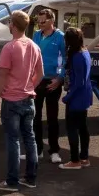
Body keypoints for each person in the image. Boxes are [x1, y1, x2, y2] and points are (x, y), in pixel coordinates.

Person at [0, 10, 44, 191]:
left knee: (13, 139)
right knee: (30, 138)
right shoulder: (34, 46)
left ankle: (12, 181)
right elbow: (40, 74)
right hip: (29, 99)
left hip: (12, 100)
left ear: (12, 25)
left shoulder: (9, 47)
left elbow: (3, 75)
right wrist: (29, 86)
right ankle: (31, 178)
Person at [31, 8, 65, 164]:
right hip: (37, 81)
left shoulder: (60, 37)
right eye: (38, 21)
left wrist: (59, 78)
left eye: (43, 21)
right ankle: (37, 151)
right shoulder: (36, 35)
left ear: (52, 21)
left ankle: (54, 151)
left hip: (52, 81)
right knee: (35, 117)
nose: (40, 24)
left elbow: (65, 59)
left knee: (52, 117)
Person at [60, 27, 92, 169]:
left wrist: (68, 97)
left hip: (77, 97)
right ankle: (84, 157)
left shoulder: (77, 56)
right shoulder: (85, 52)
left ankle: (75, 160)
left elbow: (80, 81)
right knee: (83, 127)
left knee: (72, 128)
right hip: (85, 95)